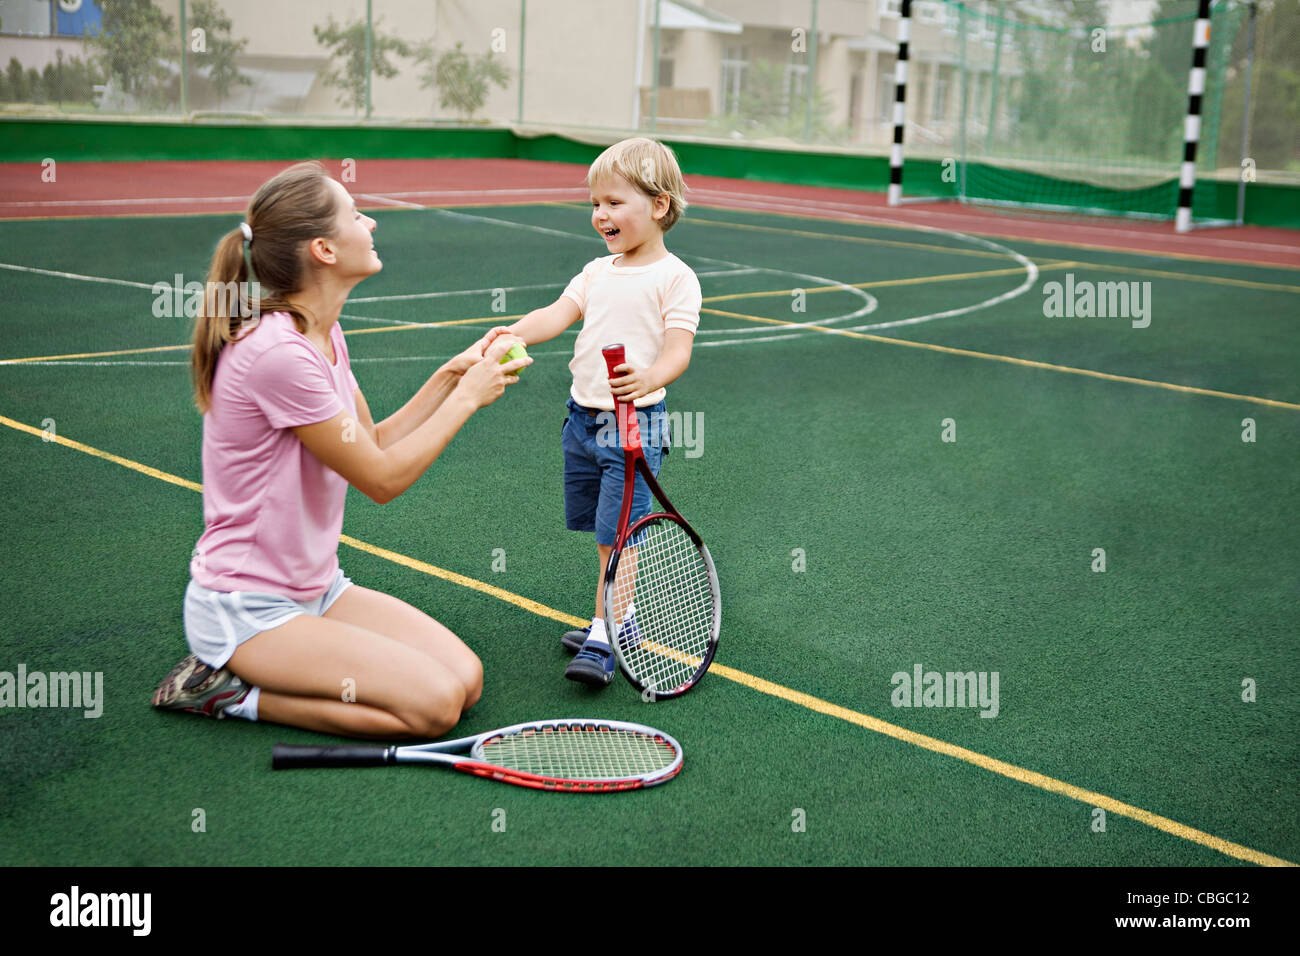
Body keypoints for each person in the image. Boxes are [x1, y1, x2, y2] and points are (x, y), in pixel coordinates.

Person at [151, 161, 529, 738]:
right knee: (433, 708)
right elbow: (380, 481)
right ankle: (229, 692)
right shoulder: (278, 353)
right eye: (357, 214)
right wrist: (466, 402)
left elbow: (370, 444)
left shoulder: (321, 333)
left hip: (317, 587)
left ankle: (259, 674)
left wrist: (450, 379)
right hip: (248, 607)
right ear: (324, 249)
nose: (370, 222)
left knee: (466, 680)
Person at [494, 137, 701, 686]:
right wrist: (512, 331)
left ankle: (605, 638)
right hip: (582, 421)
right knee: (602, 532)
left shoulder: (675, 278)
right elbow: (555, 315)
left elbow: (677, 352)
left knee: (620, 536)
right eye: (595, 204)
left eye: (613, 202)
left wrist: (649, 377)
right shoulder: (595, 272)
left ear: (658, 206)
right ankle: (620, 620)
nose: (600, 215)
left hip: (632, 427)